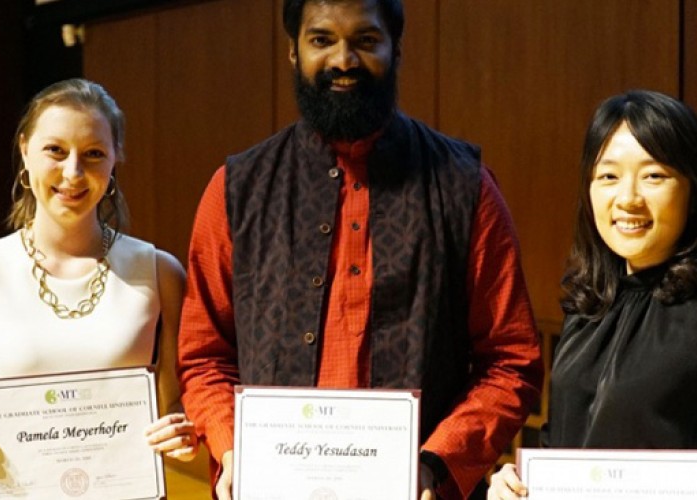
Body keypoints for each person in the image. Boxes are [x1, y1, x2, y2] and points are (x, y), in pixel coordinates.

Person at [177, 0, 543, 498]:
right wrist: (234, 449)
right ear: (293, 51)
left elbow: (511, 360)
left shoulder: (464, 187)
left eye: (365, 41)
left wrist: (436, 463)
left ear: (396, 49)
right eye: (322, 40)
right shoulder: (236, 190)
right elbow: (204, 357)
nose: (343, 60)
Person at [487, 90, 697, 499]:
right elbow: (564, 450)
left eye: (654, 176)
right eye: (608, 177)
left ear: (695, 191)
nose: (628, 199)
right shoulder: (589, 305)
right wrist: (516, 484)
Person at [0, 78, 198, 486]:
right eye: (55, 150)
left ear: (115, 158)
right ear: (24, 150)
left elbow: (177, 401)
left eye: (93, 154)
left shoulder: (160, 273)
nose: (73, 172)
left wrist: (183, 429)